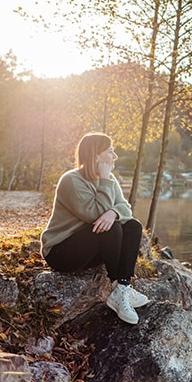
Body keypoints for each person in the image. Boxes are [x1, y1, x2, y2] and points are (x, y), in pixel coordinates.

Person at [41, 132, 149, 324]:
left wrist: (114, 212)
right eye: (110, 151)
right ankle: (120, 289)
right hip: (61, 251)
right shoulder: (71, 180)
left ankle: (122, 287)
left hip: (89, 247)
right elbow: (94, 215)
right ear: (96, 155)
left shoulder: (109, 179)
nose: (115, 156)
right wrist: (105, 181)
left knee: (133, 226)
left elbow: (126, 209)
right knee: (112, 228)